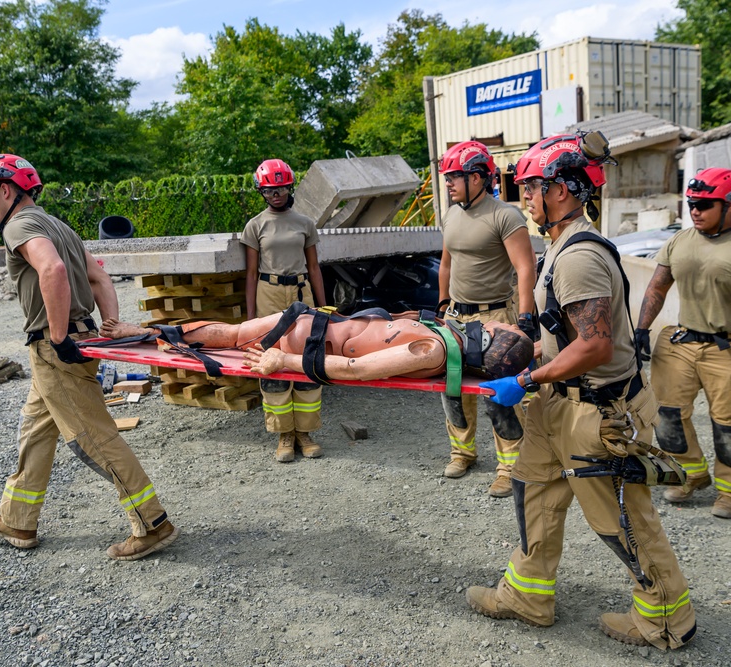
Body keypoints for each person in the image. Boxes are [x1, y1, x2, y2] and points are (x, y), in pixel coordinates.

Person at [467, 133, 696, 651]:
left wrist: (523, 380)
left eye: (531, 187)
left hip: (597, 412)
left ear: (563, 192)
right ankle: (527, 596)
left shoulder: (578, 258)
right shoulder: (560, 247)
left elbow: (593, 346)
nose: (524, 197)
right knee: (534, 490)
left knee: (623, 520)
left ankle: (666, 621)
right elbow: (566, 336)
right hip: (559, 405)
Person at [0, 153, 178, 561]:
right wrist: (110, 324)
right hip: (72, 342)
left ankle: (153, 523)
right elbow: (99, 277)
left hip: (55, 346)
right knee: (36, 429)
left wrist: (61, 336)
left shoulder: (20, 224)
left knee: (94, 438)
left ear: (5, 190)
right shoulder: (58, 226)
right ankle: (18, 519)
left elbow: (54, 272)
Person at [635, 167, 731, 520]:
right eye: (692, 203)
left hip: (729, 347)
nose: (695, 210)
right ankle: (692, 473)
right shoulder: (680, 241)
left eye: (705, 204)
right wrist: (641, 329)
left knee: (728, 423)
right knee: (666, 414)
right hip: (681, 341)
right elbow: (657, 287)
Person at [437, 140, 537, 497]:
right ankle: (461, 453)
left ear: (478, 178)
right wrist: (442, 301)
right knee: (451, 390)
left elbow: (526, 267)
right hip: (455, 317)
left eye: (454, 177)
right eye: (447, 177)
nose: (447, 183)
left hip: (495, 317)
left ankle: (509, 467)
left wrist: (525, 317)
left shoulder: (505, 216)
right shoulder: (451, 214)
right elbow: (446, 263)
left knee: (498, 395)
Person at [98, 307, 534, 388]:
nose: (493, 322)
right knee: (232, 334)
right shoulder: (447, 337)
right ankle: (148, 331)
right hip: (318, 325)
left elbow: (360, 370)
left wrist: (285, 359)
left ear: (488, 342)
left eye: (498, 328)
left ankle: (145, 332)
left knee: (233, 337)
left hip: (307, 338)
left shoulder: (434, 350)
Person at [241, 159, 328, 463]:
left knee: (306, 359)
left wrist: (323, 306)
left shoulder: (305, 223)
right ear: (261, 192)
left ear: (290, 187)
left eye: (280, 188)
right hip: (269, 294)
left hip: (302, 292)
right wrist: (251, 316)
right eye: (268, 190)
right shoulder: (255, 225)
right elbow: (251, 273)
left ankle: (305, 432)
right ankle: (284, 435)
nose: (275, 194)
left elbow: (315, 267)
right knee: (273, 361)